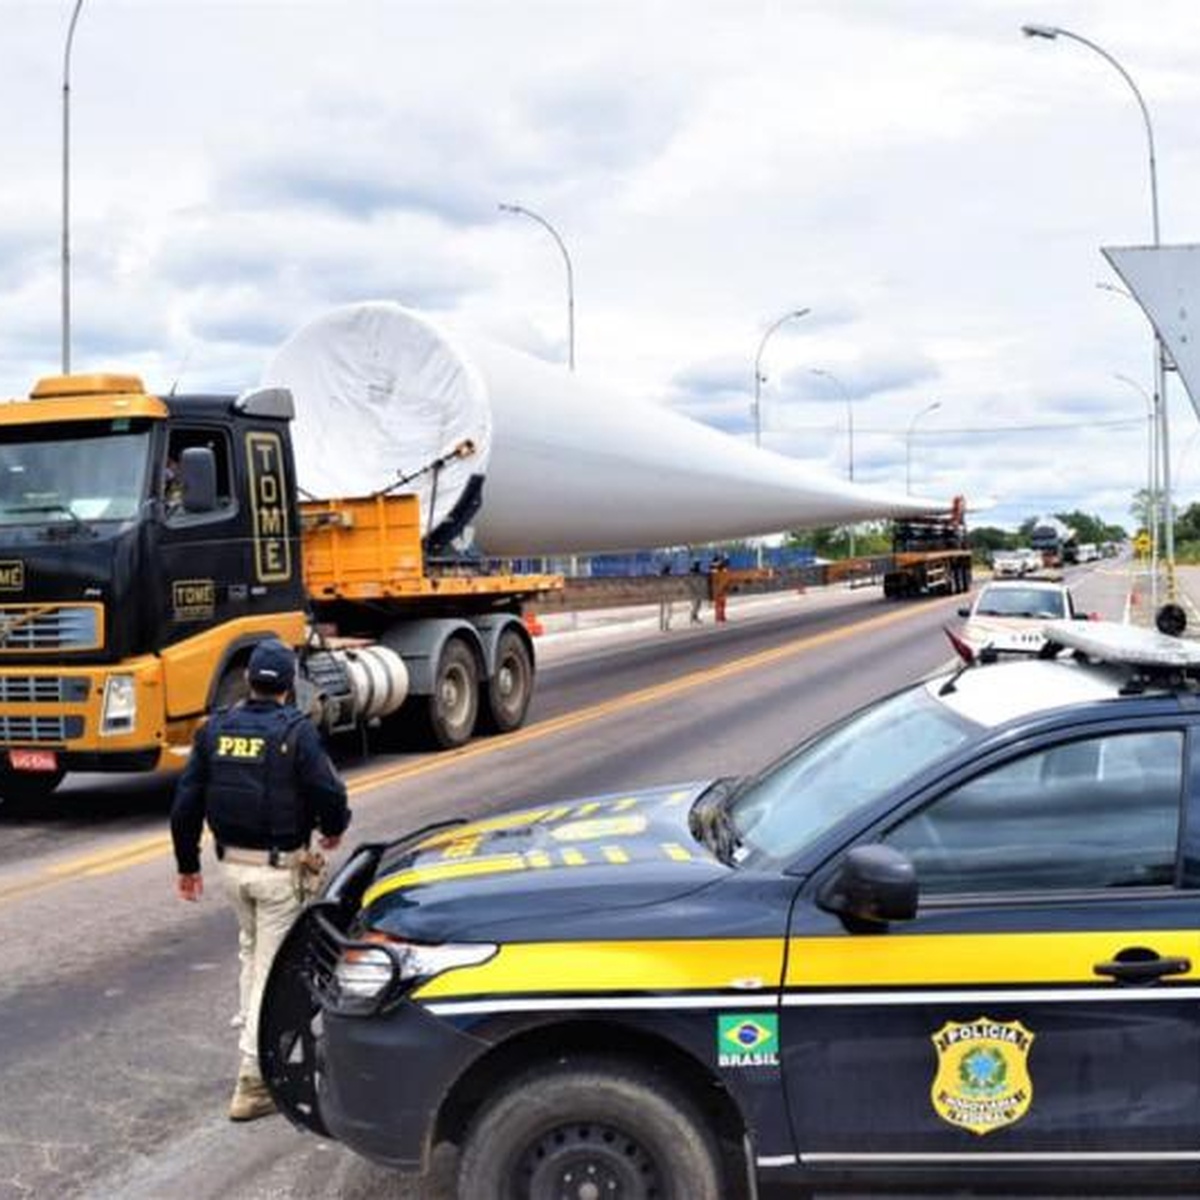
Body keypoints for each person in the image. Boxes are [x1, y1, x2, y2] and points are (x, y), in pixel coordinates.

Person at [170, 638, 350, 1122]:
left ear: (249, 680)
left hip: (232, 870)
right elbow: (328, 792)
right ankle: (253, 1081)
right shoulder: (296, 731)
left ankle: (253, 1036)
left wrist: (187, 866)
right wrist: (333, 829)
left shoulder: (215, 730)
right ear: (290, 686)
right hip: (277, 874)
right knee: (273, 972)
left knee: (252, 955)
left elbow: (185, 804)